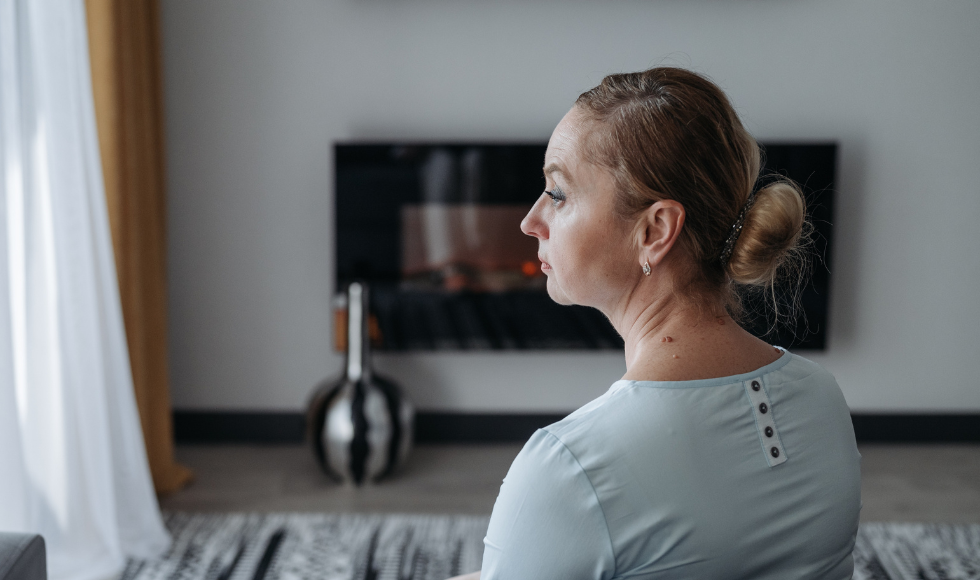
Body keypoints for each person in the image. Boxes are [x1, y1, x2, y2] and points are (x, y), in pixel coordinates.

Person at [449, 67, 861, 580]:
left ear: (655, 230)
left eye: (557, 193)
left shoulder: (570, 468)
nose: (530, 221)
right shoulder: (821, 397)